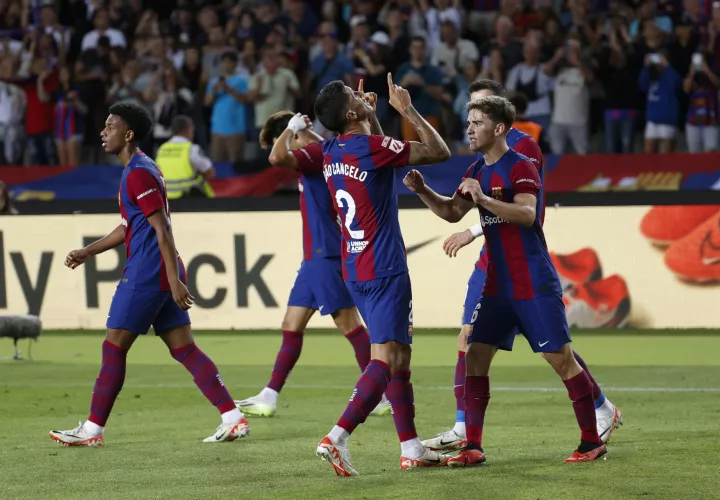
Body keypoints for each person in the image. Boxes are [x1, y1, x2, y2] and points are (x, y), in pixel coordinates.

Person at [418, 79, 622, 455]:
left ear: (498, 129)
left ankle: (592, 440)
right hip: (498, 284)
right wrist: (423, 190)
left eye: (477, 122)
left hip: (531, 279)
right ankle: (473, 445)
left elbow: (528, 214)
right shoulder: (477, 170)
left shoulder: (522, 166)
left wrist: (485, 201)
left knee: (559, 358)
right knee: (475, 353)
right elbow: (451, 212)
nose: (469, 129)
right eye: (468, 122)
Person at [49, 102, 249, 447]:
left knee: (113, 347)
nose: (102, 132)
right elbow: (130, 225)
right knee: (184, 348)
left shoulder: (139, 171)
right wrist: (88, 251)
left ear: (128, 134)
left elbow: (163, 228)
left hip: (149, 271)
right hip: (159, 270)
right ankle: (232, 417)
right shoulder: (139, 169)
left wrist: (172, 279)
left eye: (110, 127)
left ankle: (93, 430)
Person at [313, 74, 452, 476]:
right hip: (385, 266)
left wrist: (368, 116)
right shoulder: (369, 148)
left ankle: (411, 447)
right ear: (353, 112)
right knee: (387, 358)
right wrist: (404, 109)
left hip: (355, 267)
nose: (362, 93)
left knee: (400, 356)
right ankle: (336, 437)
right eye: (356, 95)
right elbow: (438, 151)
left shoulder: (331, 150)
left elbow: (373, 155)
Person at [233, 107, 390, 418]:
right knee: (291, 325)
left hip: (327, 252)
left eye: (286, 139)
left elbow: (276, 157)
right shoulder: (320, 152)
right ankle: (269, 395)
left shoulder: (317, 153)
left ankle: (381, 395)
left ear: (292, 135)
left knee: (349, 325)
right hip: (314, 257)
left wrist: (292, 129)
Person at [155, 115, 216, 199]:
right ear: (187, 128)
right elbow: (210, 173)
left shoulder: (161, 149)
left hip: (165, 199)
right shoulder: (192, 149)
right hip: (187, 198)